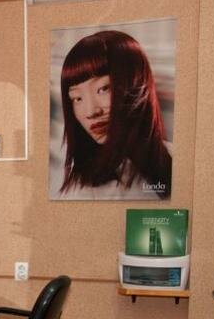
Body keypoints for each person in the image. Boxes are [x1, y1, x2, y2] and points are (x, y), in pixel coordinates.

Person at [58, 30, 171, 199]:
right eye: (77, 98)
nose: (91, 112)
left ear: (136, 82)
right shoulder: (83, 192)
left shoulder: (179, 159)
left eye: (103, 89)